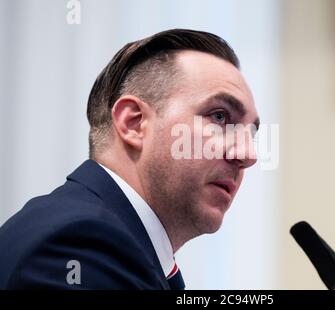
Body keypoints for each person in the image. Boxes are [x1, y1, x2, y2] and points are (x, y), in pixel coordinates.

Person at [0, 29, 259, 289]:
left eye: (251, 133)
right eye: (220, 117)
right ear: (134, 123)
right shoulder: (79, 245)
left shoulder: (122, 248)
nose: (248, 155)